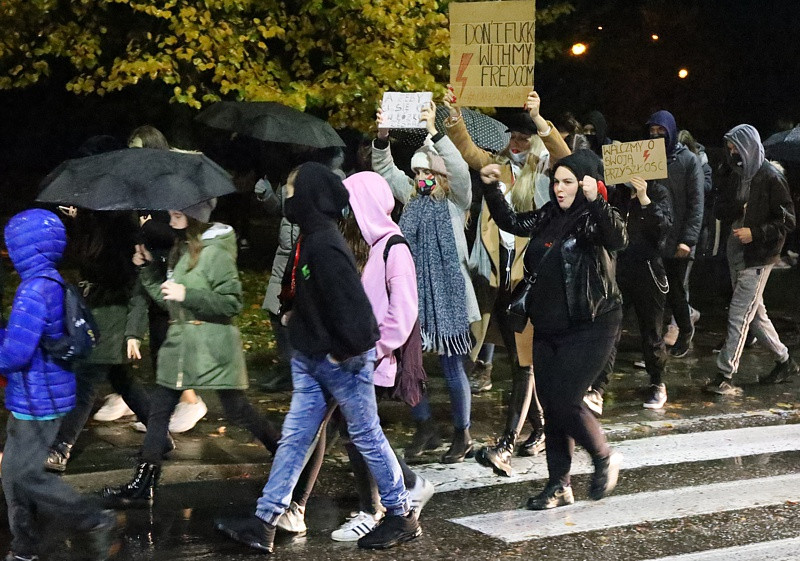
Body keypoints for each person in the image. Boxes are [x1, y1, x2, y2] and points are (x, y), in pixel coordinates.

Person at [214, 163, 421, 553]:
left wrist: (346, 352)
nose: (287, 195)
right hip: (314, 359)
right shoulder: (312, 240)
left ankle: (401, 513)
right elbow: (320, 299)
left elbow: (359, 318)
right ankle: (265, 521)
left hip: (340, 362)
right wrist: (299, 316)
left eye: (292, 189)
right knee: (295, 439)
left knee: (366, 436)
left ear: (308, 197)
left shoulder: (326, 245)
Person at [277, 171, 434, 541]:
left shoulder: (395, 248)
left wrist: (374, 349)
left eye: (352, 202)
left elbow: (404, 311)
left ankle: (377, 507)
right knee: (354, 431)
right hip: (355, 355)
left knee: (358, 433)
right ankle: (396, 494)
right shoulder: (373, 246)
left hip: (371, 357)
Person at [102, 199, 280, 508]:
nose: (169, 217)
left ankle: (283, 454)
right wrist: (148, 270)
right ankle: (144, 482)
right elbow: (167, 300)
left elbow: (231, 302)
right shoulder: (180, 249)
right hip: (181, 344)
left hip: (213, 346)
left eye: (176, 213)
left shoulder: (217, 252)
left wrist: (189, 294)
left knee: (237, 408)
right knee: (159, 412)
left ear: (195, 215)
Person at [479, 150, 627, 510]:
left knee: (565, 401)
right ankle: (559, 484)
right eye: (555, 182)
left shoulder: (593, 219)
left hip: (591, 324)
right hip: (547, 326)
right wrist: (492, 189)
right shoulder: (550, 214)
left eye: (567, 182)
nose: (559, 189)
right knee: (552, 405)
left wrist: (596, 201)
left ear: (585, 184)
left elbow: (618, 237)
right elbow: (512, 221)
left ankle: (604, 456)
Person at [443, 88, 571, 475]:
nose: (517, 142)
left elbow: (567, 157)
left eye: (523, 137)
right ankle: (543, 425)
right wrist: (452, 114)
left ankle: (507, 443)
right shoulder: (494, 163)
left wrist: (539, 120)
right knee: (513, 355)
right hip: (494, 275)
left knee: (523, 361)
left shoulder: (545, 169)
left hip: (528, 278)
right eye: (513, 136)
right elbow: (465, 148)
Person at [1, 209, 116, 561]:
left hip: (40, 399)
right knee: (11, 475)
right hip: (33, 396)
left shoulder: (34, 291)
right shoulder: (50, 280)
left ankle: (93, 519)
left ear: (24, 247)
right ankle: (25, 547)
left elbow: (13, 355)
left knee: (27, 477)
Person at [372, 101, 481, 463]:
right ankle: (425, 427)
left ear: (440, 176)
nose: (421, 178)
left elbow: (462, 170)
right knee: (411, 362)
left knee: (452, 364)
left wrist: (434, 132)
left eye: (427, 172)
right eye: (417, 172)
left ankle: (462, 433)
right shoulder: (412, 200)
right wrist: (383, 138)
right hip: (414, 294)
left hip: (449, 295)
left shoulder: (455, 200)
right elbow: (386, 170)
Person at [98, 125, 208, 433]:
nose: (135, 156)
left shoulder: (170, 186)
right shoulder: (140, 186)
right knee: (152, 339)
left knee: (166, 343)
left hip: (170, 271)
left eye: (140, 149)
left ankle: (189, 401)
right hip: (148, 269)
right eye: (131, 149)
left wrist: (147, 229)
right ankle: (142, 398)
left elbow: (179, 231)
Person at [44, 210, 154, 472]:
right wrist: (78, 221)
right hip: (98, 313)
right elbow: (78, 257)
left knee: (84, 384)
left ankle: (61, 447)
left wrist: (133, 334)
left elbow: (109, 270)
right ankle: (159, 436)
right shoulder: (98, 222)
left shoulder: (121, 226)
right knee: (123, 381)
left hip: (111, 317)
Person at [706, 124, 797, 394]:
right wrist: (738, 208)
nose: (732, 153)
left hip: (758, 257)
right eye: (730, 148)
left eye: (736, 148)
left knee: (738, 314)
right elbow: (720, 209)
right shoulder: (735, 174)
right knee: (754, 315)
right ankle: (785, 360)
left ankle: (725, 374)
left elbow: (787, 219)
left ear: (748, 147)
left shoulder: (771, 177)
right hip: (736, 252)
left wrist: (755, 232)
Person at [609, 177, 673, 408]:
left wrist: (645, 200)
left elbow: (663, 229)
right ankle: (597, 386)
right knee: (611, 327)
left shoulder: (658, 192)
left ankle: (658, 383)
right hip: (621, 268)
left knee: (651, 331)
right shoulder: (619, 194)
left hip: (648, 271)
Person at [646, 111, 705, 358]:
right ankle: (654, 341)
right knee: (653, 291)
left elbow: (696, 203)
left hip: (678, 237)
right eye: (653, 130)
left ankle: (685, 329)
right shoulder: (647, 156)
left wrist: (687, 240)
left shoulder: (689, 161)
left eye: (661, 130)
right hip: (654, 236)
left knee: (675, 291)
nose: (657, 135)